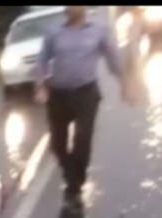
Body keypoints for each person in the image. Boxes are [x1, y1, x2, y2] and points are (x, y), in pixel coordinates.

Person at [35, 6, 134, 196]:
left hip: (86, 94)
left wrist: (125, 84)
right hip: (58, 95)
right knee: (57, 145)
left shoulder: (98, 30)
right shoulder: (53, 32)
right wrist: (40, 86)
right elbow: (42, 61)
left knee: (83, 140)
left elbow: (113, 58)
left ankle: (76, 181)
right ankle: (70, 171)